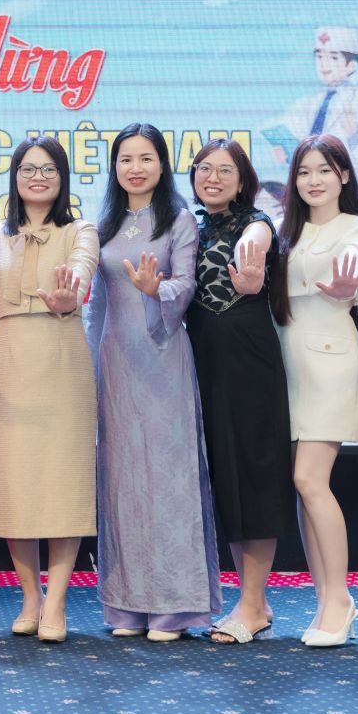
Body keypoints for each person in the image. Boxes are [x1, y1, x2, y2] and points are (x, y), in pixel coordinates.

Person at [86, 124, 222, 642]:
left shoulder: (179, 220)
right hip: (115, 361)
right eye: (126, 159)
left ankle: (174, 608)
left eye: (146, 158)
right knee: (122, 479)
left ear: (162, 165)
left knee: (168, 479)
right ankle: (127, 605)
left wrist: (155, 289)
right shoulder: (103, 224)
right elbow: (97, 305)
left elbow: (186, 284)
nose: (135, 168)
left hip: (163, 357)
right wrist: (89, 364)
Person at [0, 136, 99, 644]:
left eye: (48, 169)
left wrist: (70, 294)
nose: (37, 177)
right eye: (28, 169)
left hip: (63, 362)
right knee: (15, 487)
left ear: (62, 178)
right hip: (9, 365)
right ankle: (30, 597)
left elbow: (83, 269)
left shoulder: (80, 230)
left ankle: (57, 601)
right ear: (15, 177)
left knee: (65, 485)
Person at [186, 138, 295, 645]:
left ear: (243, 179)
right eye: (204, 169)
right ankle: (254, 601)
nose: (213, 178)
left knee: (254, 475)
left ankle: (252, 603)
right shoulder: (188, 226)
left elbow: (257, 239)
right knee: (226, 480)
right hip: (202, 363)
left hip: (249, 361)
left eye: (224, 170)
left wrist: (251, 256)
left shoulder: (257, 223)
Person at [274, 135, 358, 647]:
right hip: (286, 364)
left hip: (331, 363)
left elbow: (357, 257)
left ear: (344, 175)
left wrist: (349, 280)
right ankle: (325, 600)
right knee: (303, 488)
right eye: (304, 172)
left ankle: (340, 597)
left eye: (324, 170)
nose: (313, 180)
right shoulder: (284, 232)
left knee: (309, 478)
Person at [270, 27, 358, 188]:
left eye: (333, 58)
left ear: (351, 66)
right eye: (319, 56)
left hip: (346, 189)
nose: (323, 64)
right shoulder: (312, 102)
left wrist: (355, 136)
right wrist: (287, 155)